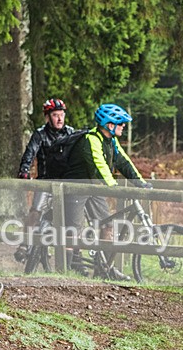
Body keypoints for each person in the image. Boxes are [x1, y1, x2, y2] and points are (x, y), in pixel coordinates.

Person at [62, 103, 151, 280]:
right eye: (121, 123)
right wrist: (113, 187)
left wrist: (140, 183)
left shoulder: (111, 141)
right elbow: (99, 166)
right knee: (74, 230)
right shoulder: (91, 139)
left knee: (108, 225)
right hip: (76, 187)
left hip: (94, 188)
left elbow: (124, 163)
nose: (123, 126)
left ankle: (104, 270)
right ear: (110, 125)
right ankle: (63, 270)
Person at [15, 98, 74, 262]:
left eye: (62, 115)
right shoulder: (40, 134)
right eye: (55, 115)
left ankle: (74, 258)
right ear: (48, 117)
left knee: (73, 216)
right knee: (36, 211)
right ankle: (24, 244)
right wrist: (24, 170)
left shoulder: (70, 133)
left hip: (67, 183)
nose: (60, 119)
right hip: (46, 181)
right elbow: (30, 153)